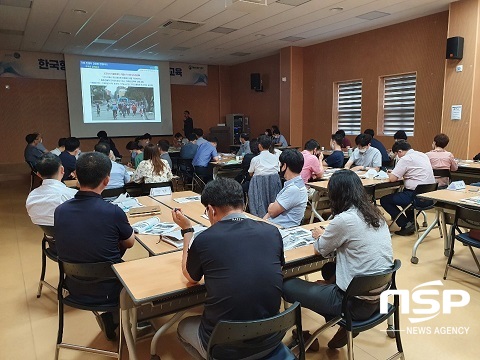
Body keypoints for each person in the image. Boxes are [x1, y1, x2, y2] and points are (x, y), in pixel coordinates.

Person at [171, 178, 284, 359]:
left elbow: (190, 277)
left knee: (183, 327)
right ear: (244, 202)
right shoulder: (272, 231)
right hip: (272, 337)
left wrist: (187, 232)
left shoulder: (205, 239)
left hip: (227, 348)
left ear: (211, 210)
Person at [283, 169, 393, 349]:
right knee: (329, 269)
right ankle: (336, 318)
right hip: (378, 297)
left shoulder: (344, 219)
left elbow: (320, 249)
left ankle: (304, 337)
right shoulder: (375, 215)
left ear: (336, 195)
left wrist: (319, 235)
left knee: (287, 285)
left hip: (352, 303)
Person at [54, 152, 135, 340]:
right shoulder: (113, 211)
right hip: (110, 290)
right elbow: (130, 243)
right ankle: (132, 319)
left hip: (72, 285)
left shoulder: (60, 210)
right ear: (107, 180)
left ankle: (112, 317)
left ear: (75, 175)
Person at [380, 141, 435, 236]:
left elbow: (392, 179)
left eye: (396, 154)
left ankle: (405, 224)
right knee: (403, 196)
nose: (397, 156)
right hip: (429, 196)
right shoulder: (422, 155)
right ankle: (411, 222)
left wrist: (390, 173)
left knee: (385, 200)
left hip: (415, 197)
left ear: (399, 151)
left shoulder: (405, 159)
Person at [26, 153, 77, 229]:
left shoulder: (31, 197)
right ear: (62, 170)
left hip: (49, 236)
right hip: (72, 236)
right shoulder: (72, 195)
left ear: (38, 174)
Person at [264, 149, 307, 228]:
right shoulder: (294, 184)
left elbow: (272, 212)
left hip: (281, 229)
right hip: (274, 225)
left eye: (280, 164)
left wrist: (271, 206)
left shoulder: (294, 189)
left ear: (284, 166)